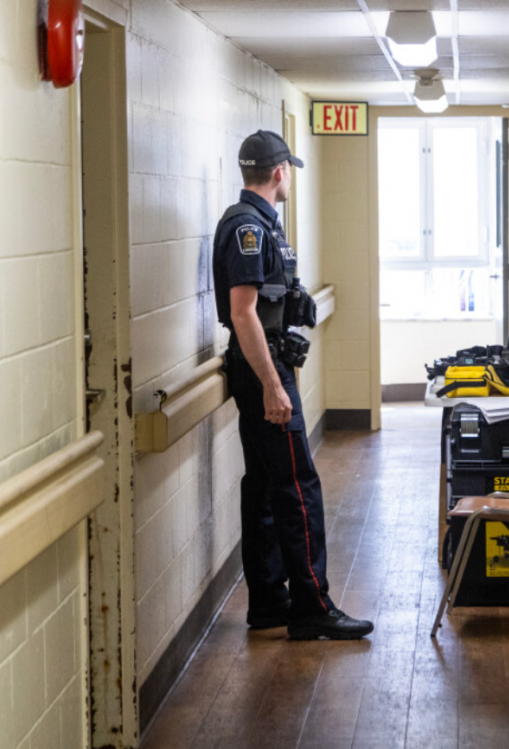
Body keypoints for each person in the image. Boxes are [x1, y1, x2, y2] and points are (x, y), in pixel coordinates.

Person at [211, 130, 374, 640]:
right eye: (289, 173)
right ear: (280, 172)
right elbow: (243, 312)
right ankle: (311, 605)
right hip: (263, 370)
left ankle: (268, 601)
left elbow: (265, 302)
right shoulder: (248, 228)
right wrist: (272, 386)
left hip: (262, 365)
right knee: (298, 486)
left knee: (264, 486)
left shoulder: (259, 223)